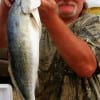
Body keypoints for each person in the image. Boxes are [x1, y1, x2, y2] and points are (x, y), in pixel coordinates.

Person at [1, 0, 100, 100]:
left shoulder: (95, 22)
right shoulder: (33, 22)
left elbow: (86, 67)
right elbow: (2, 43)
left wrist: (51, 18)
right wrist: (5, 8)